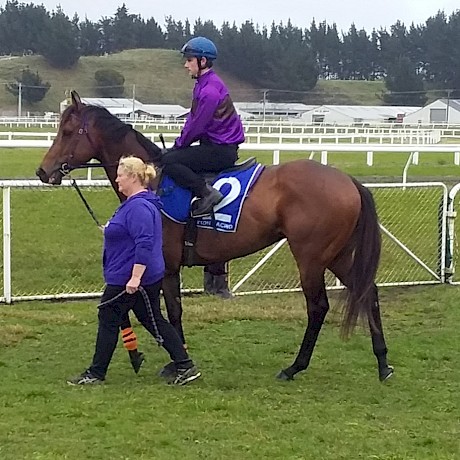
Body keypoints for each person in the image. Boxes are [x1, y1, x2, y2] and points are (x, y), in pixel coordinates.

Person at [67, 156, 201, 386]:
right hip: (137, 276)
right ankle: (184, 364)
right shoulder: (137, 203)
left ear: (132, 177)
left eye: (120, 174)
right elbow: (130, 232)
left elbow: (145, 243)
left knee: (108, 317)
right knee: (153, 319)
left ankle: (96, 373)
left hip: (130, 278)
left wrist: (135, 278)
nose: (116, 179)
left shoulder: (138, 207)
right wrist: (110, 231)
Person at [161, 36, 245, 218]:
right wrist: (179, 144)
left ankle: (207, 193)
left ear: (203, 61)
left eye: (189, 60)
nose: (186, 65)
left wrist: (178, 146)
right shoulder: (204, 84)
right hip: (215, 146)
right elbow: (192, 121)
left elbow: (197, 126)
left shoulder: (209, 90)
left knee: (168, 161)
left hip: (220, 150)